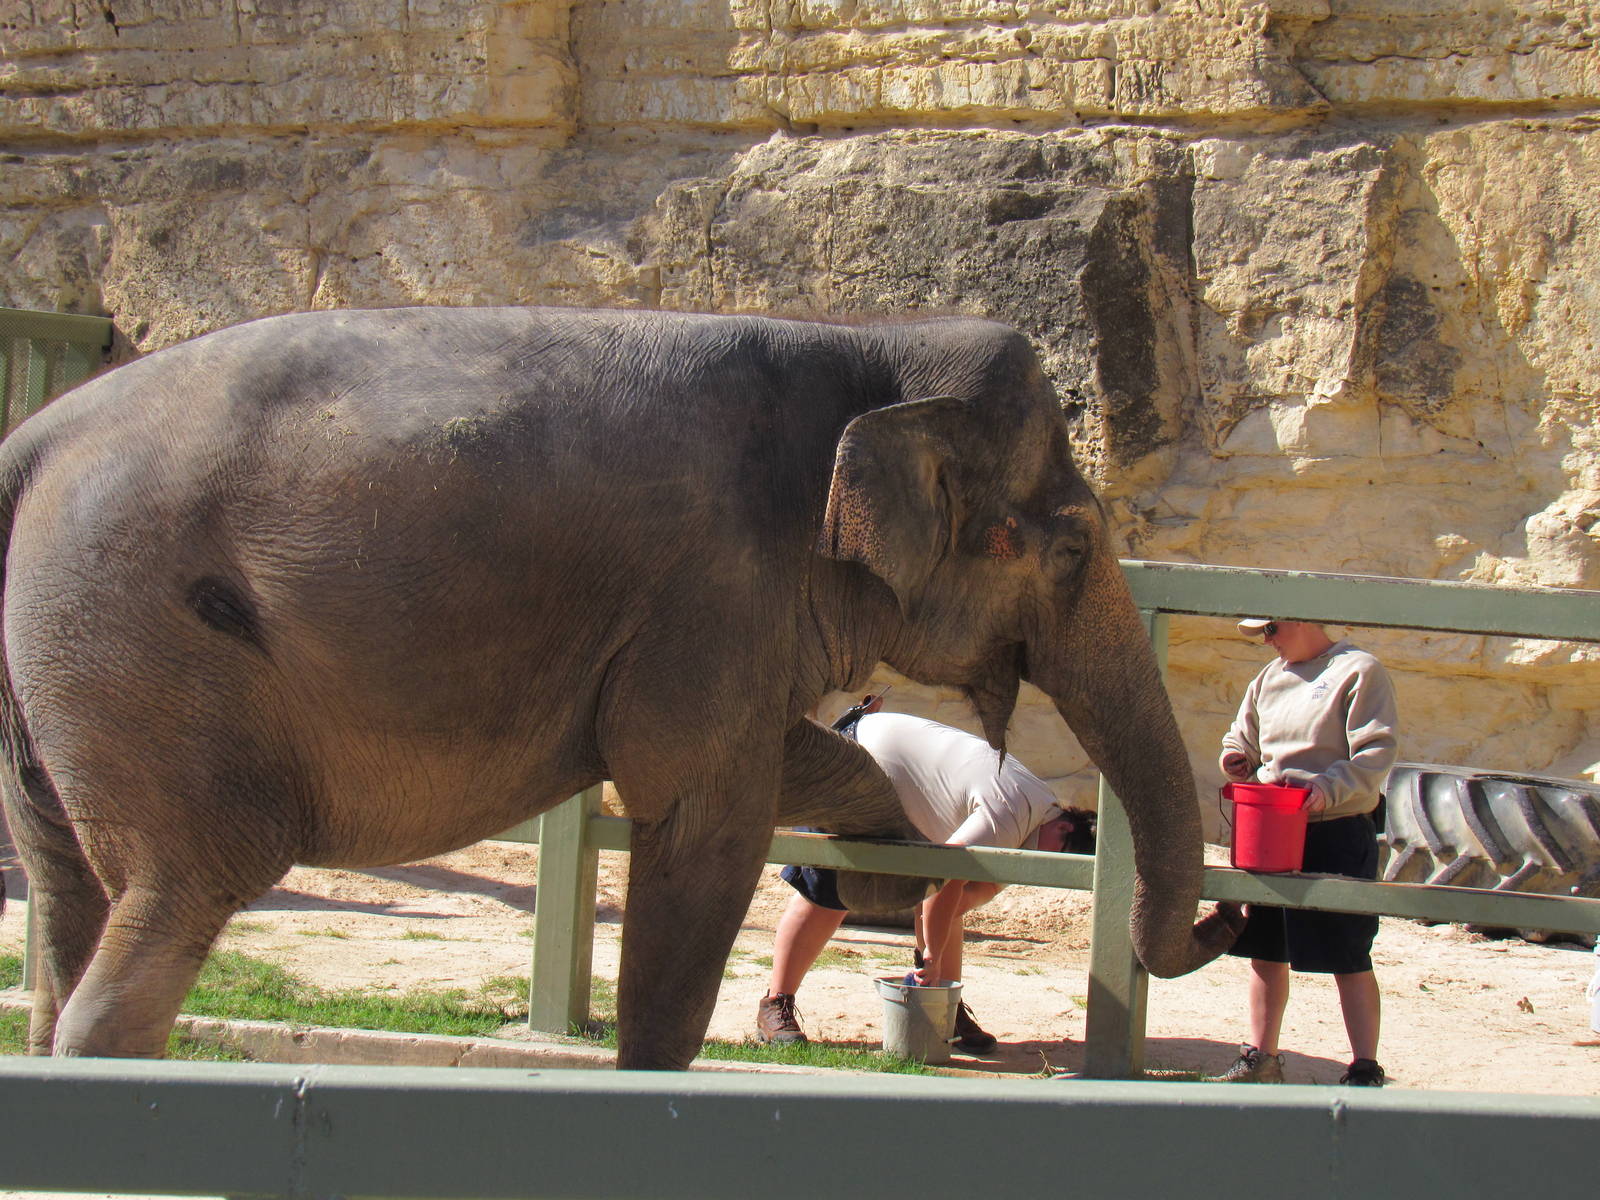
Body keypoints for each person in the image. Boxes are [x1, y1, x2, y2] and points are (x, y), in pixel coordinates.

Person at [756, 703, 1094, 1053]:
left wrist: (937, 959)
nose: (1049, 861)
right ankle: (774, 1005)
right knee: (829, 889)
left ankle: (942, 1007)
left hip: (890, 780)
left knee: (947, 901)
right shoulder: (1013, 813)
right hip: (857, 758)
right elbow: (944, 873)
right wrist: (931, 955)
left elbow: (956, 894)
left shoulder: (1038, 814)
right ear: (1065, 827)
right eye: (1060, 851)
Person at [1213, 617, 1399, 1087]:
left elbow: (1374, 754)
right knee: (1266, 947)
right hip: (1274, 823)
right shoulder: (1269, 677)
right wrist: (1236, 758)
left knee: (1348, 951)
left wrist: (1326, 789)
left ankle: (1363, 1066)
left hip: (1335, 827)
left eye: (1271, 629)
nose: (1268, 641)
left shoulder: (1358, 669)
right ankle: (1260, 1056)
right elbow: (1242, 736)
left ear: (1302, 619)